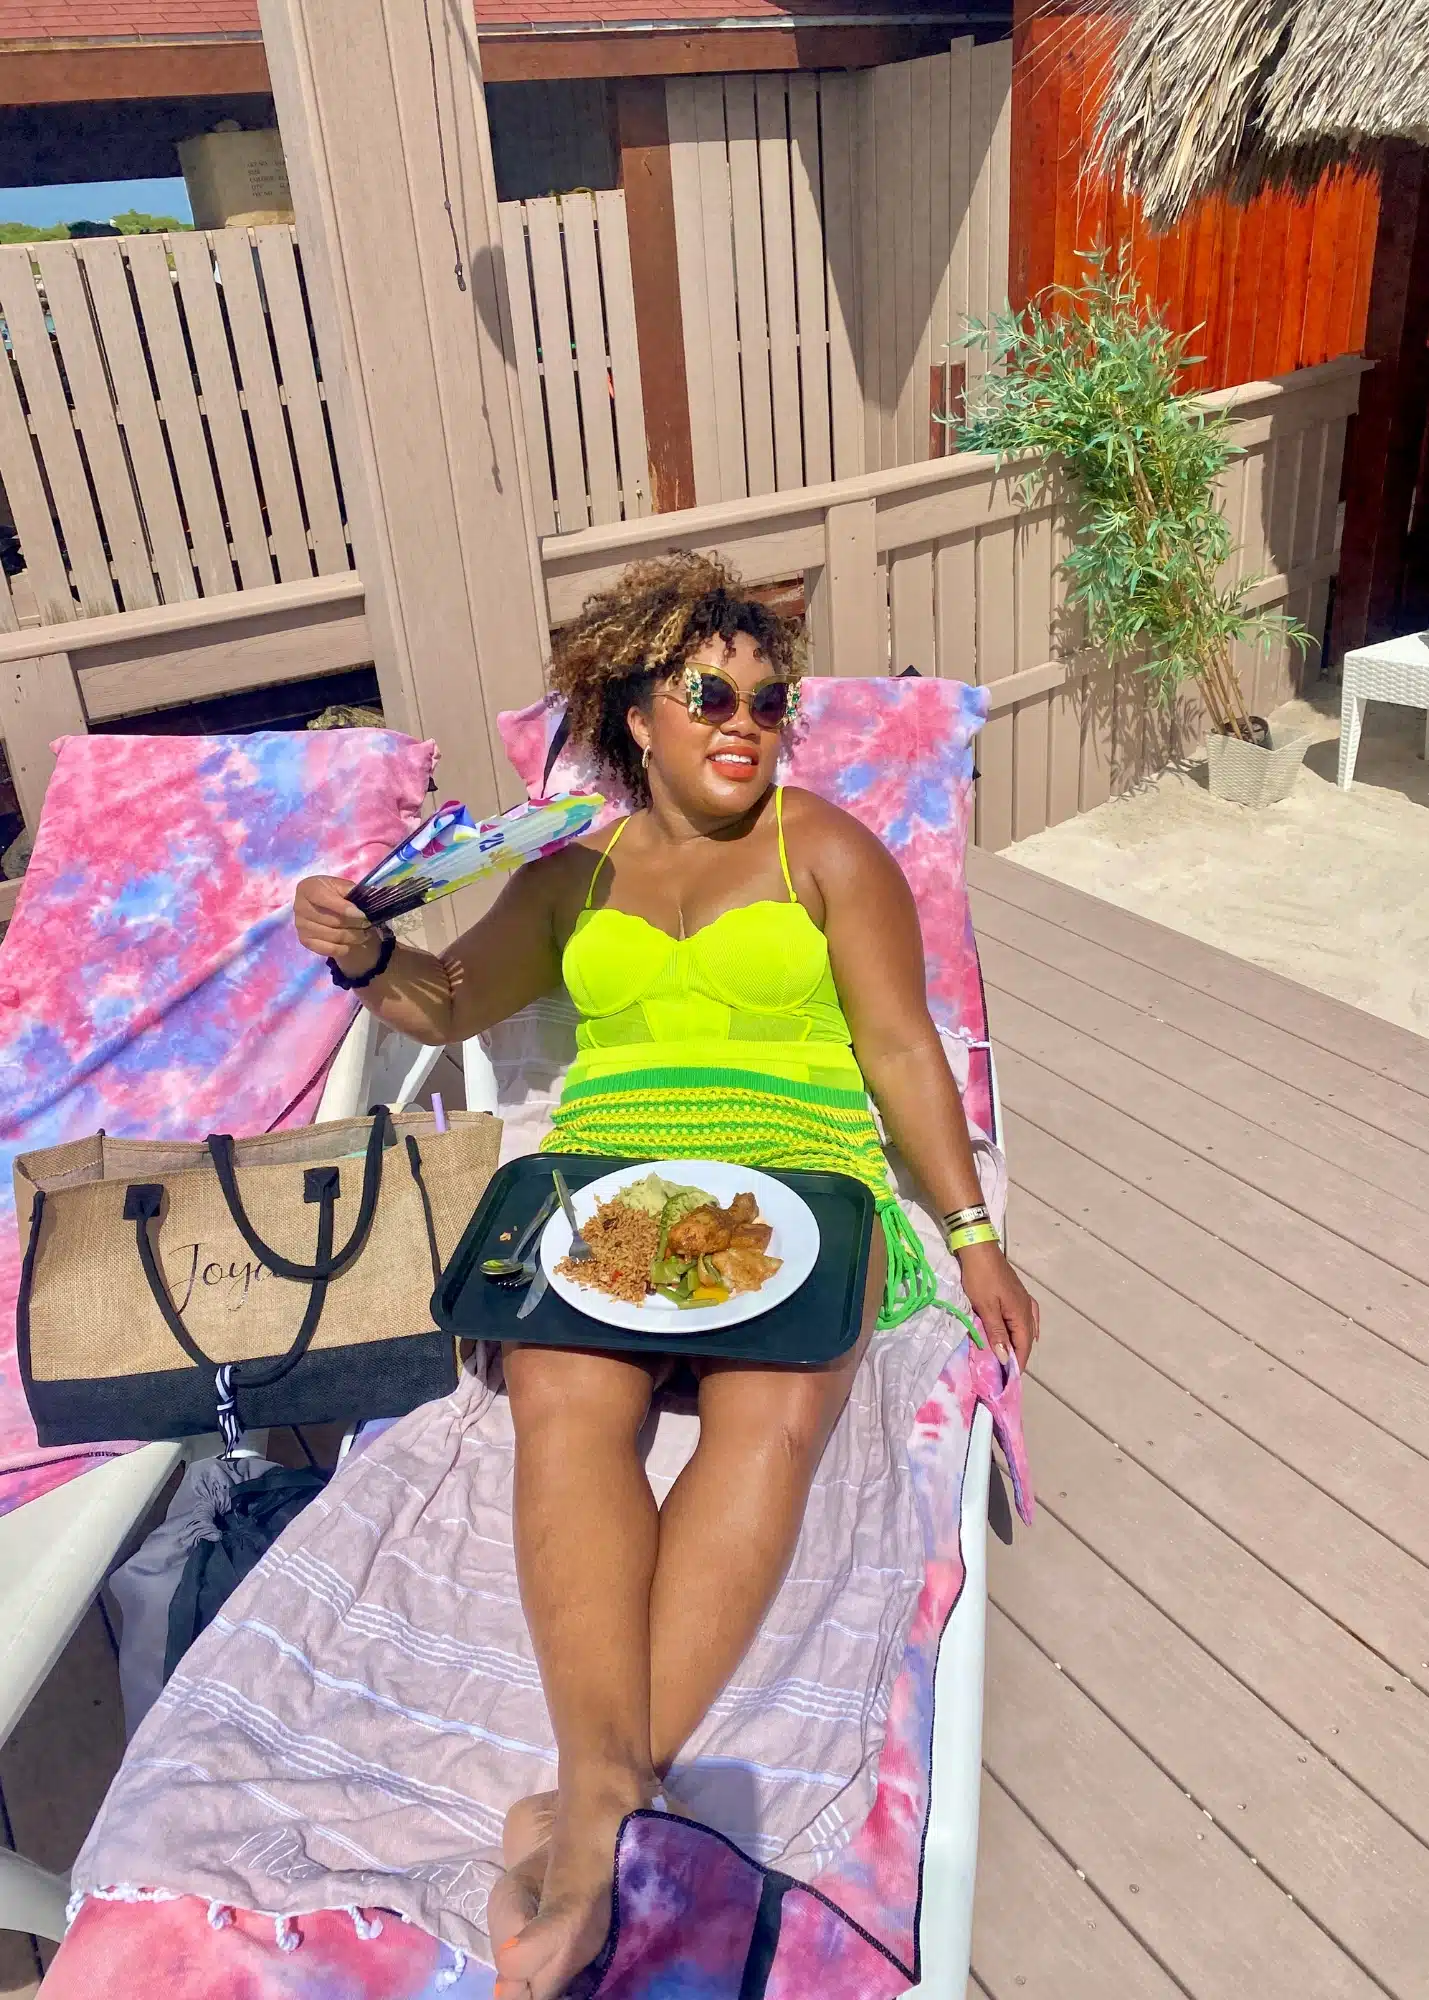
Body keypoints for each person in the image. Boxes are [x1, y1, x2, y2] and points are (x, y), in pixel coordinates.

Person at [293, 553, 1039, 2000]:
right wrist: (366, 952)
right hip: (602, 1191)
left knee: (774, 1408)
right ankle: (606, 1797)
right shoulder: (573, 868)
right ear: (638, 714)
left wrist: (970, 1233)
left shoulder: (823, 850)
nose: (743, 719)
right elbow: (449, 999)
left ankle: (582, 1828)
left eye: (769, 700)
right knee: (565, 1395)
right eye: (710, 693)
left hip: (798, 1185)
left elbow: (899, 1050)